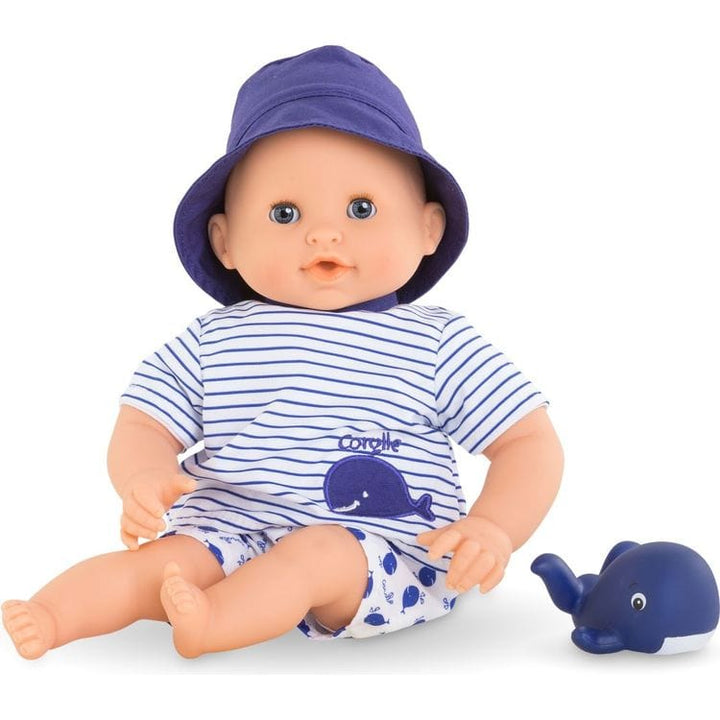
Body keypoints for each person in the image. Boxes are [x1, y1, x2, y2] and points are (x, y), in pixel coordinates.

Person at [2, 45, 563, 660]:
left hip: (380, 553)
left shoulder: (437, 342)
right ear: (225, 241)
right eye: (285, 213)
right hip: (227, 531)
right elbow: (144, 422)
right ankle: (51, 616)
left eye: (361, 209)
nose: (323, 233)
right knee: (160, 564)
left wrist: (493, 526)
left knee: (317, 555)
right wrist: (143, 476)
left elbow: (527, 442)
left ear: (428, 228)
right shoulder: (213, 339)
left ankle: (213, 622)